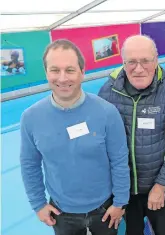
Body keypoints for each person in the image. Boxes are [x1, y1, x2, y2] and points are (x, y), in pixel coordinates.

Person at [20, 39, 130, 235]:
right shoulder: (30, 118)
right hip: (61, 213)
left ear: (82, 72)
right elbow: (30, 165)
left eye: (70, 70)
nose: (62, 78)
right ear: (46, 73)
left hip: (105, 209)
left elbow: (119, 160)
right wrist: (38, 204)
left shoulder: (106, 112)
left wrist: (120, 202)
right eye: (55, 70)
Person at [98, 35, 165, 235]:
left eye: (145, 61)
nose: (138, 69)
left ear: (156, 60)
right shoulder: (108, 92)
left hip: (163, 188)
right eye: (131, 62)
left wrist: (161, 185)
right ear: (123, 63)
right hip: (125, 191)